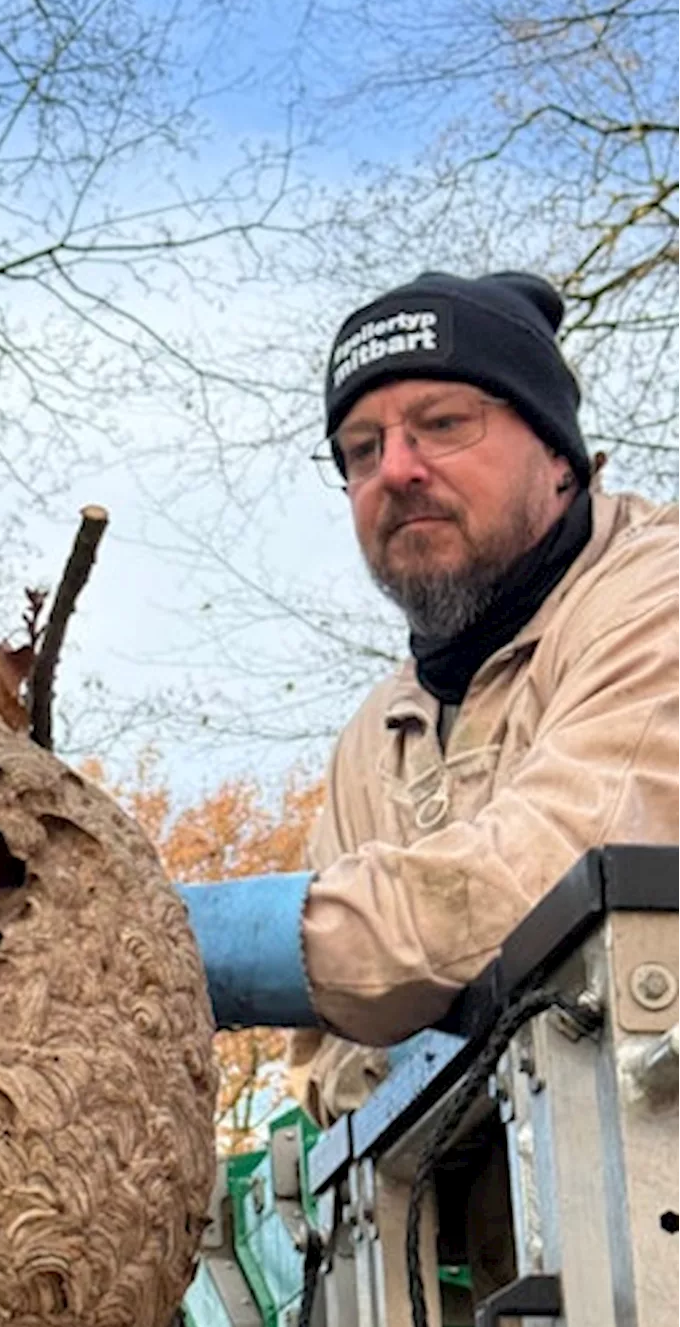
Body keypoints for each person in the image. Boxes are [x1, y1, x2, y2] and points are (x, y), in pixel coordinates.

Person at [181, 269, 680, 1126]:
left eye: (444, 425)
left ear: (558, 453)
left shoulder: (656, 598)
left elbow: (548, 877)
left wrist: (177, 939)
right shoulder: (373, 742)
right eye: (361, 450)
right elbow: (326, 1067)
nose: (397, 470)